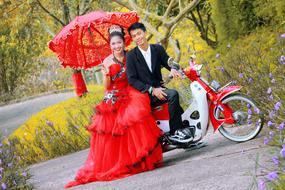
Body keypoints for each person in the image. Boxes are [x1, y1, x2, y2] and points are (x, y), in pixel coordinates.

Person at [64, 25, 163, 188]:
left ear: (124, 43)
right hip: (115, 92)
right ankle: (122, 161)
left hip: (131, 89)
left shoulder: (131, 55)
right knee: (111, 123)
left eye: (119, 43)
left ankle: (140, 159)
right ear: (110, 46)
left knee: (135, 111)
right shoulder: (107, 61)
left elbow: (137, 76)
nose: (116, 47)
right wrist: (106, 75)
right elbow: (107, 87)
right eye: (113, 44)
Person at [126, 22, 193, 143]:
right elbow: (132, 79)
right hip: (145, 94)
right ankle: (175, 133)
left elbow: (169, 62)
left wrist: (173, 68)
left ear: (145, 33)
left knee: (178, 108)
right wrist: (152, 90)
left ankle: (186, 135)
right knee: (173, 94)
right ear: (132, 38)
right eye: (134, 36)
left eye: (139, 33)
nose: (138, 37)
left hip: (159, 89)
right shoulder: (131, 56)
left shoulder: (157, 49)